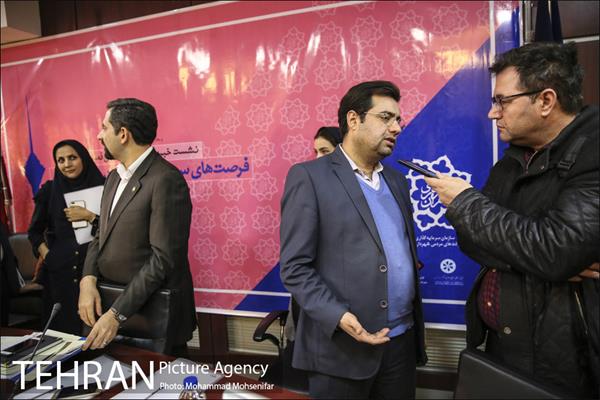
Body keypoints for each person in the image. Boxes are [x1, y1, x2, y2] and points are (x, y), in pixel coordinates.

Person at [424, 42, 599, 397]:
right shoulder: (512, 160)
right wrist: (537, 256)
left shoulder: (592, 152)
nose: (493, 113)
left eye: (502, 101)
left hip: (561, 360)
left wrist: (467, 204)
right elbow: (470, 239)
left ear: (545, 101)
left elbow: (557, 250)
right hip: (500, 346)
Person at [280, 81, 427, 399]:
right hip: (340, 348)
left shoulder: (397, 181)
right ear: (353, 119)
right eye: (385, 117)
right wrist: (339, 317)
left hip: (400, 343)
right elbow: (295, 268)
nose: (396, 128)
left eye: (398, 120)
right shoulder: (310, 177)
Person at [78, 98, 197, 356]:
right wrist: (87, 280)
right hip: (110, 306)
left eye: (104, 127)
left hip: (151, 315)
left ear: (123, 134)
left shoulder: (165, 179)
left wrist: (117, 313)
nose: (99, 135)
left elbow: (163, 259)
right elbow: (101, 235)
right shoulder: (113, 177)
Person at [27, 140, 104, 335]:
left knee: (93, 331)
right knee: (61, 332)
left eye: (72, 158)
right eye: (60, 160)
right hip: (59, 275)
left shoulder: (105, 187)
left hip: (94, 272)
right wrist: (48, 255)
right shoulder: (50, 191)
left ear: (83, 158)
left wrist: (89, 216)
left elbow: (115, 229)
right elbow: (34, 232)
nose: (67, 164)